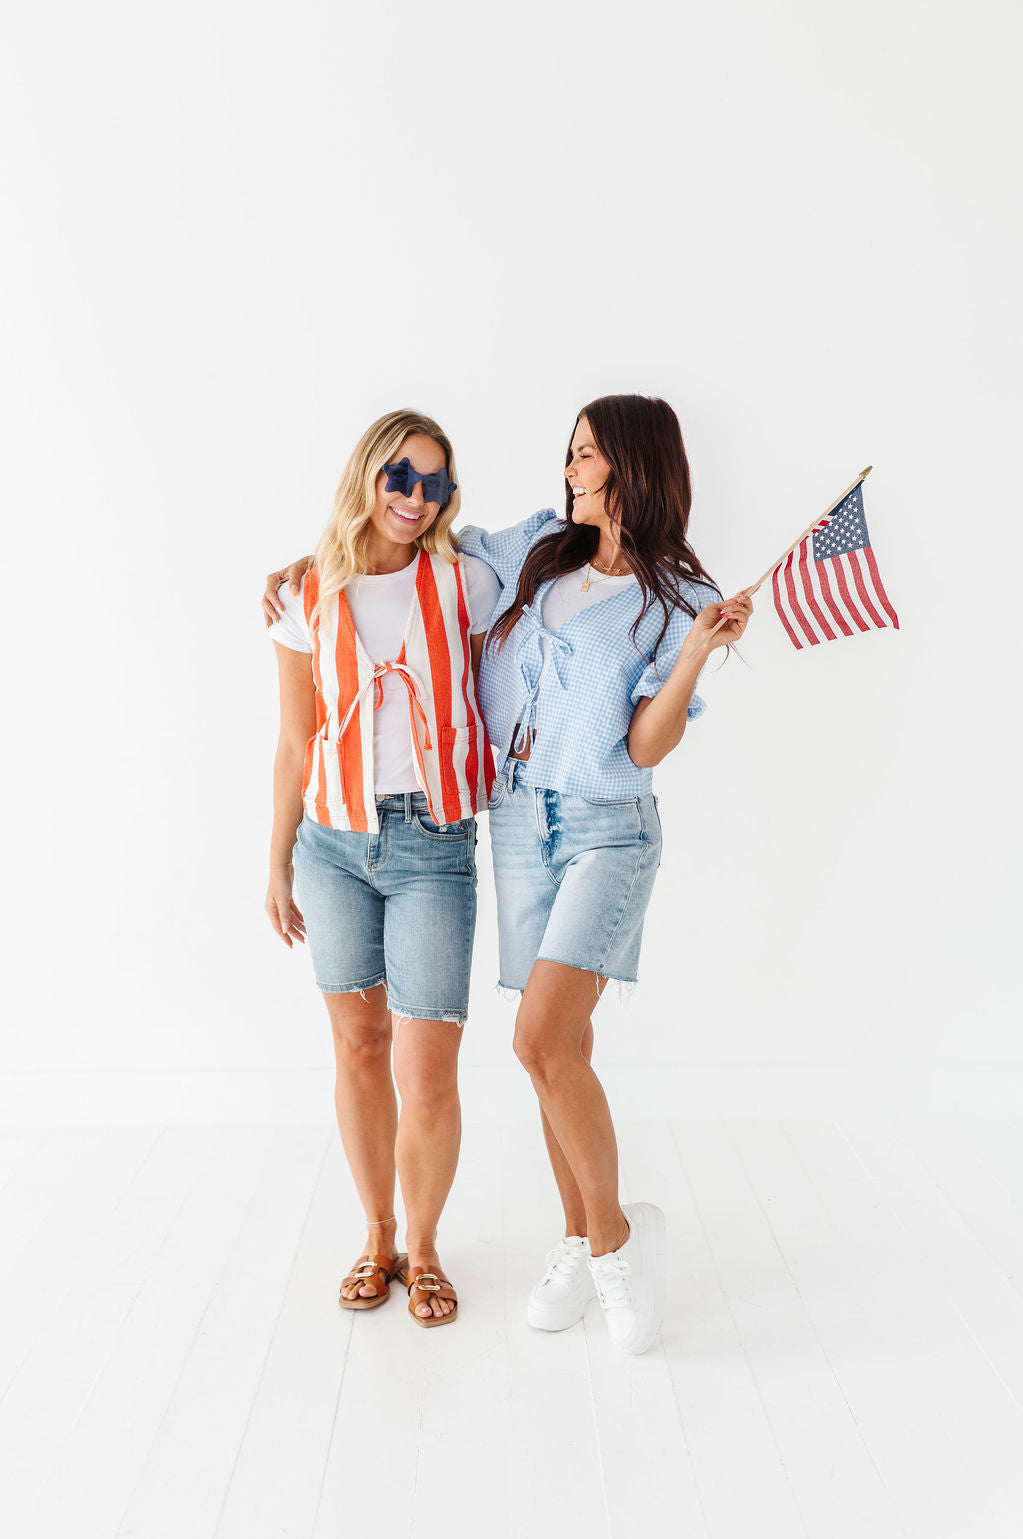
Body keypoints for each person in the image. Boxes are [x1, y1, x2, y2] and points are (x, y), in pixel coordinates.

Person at [264, 394, 752, 1354]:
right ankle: (570, 1237)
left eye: (586, 456)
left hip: (597, 826)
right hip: (516, 822)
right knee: (553, 1048)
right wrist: (304, 563)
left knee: (537, 1041)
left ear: (632, 465)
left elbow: (644, 746)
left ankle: (613, 1242)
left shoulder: (674, 597)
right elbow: (398, 549)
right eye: (570, 454)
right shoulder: (535, 550)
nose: (569, 470)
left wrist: (695, 654)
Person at [265, 408, 499, 1328]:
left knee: (426, 1067)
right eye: (400, 474)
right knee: (358, 1047)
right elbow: (294, 742)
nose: (414, 496)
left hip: (433, 844)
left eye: (434, 483)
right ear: (367, 472)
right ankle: (377, 1235)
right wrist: (276, 862)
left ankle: (426, 1248)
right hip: (331, 845)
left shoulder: (466, 582)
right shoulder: (304, 593)